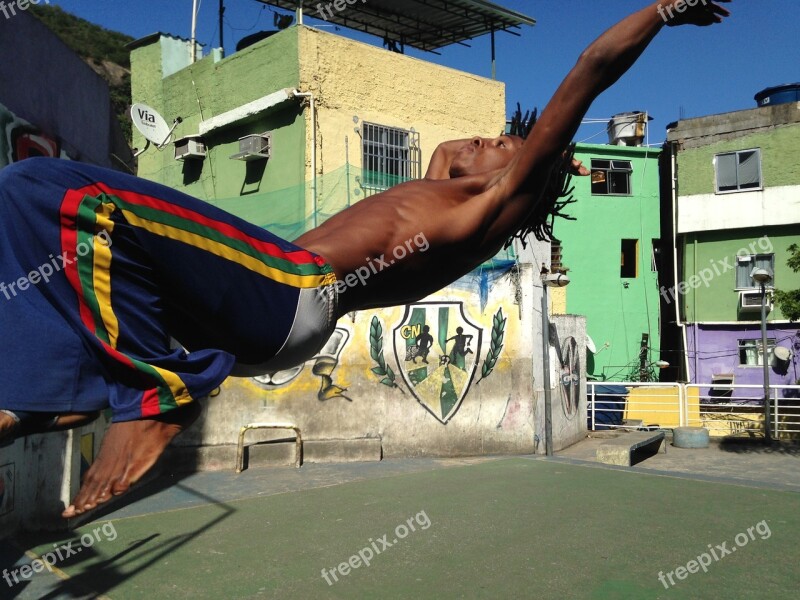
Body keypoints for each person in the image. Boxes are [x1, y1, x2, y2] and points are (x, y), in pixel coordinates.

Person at [0, 0, 731, 518]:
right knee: (56, 243)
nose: (475, 144)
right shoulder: (435, 202)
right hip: (264, 318)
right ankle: (50, 394)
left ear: (520, 176)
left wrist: (663, 10)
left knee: (55, 190)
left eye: (496, 145)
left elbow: (590, 67)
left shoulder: (493, 202)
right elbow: (461, 153)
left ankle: (150, 393)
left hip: (290, 287)